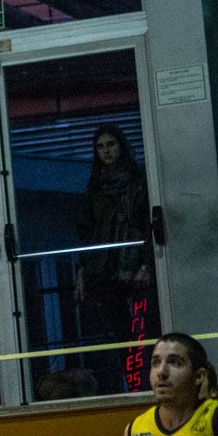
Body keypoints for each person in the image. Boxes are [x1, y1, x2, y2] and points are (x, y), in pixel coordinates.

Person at [76, 124, 158, 392]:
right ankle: (134, 386)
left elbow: (147, 224)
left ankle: (148, 384)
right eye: (100, 147)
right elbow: (87, 230)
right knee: (122, 334)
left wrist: (146, 263)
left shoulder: (138, 179)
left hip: (135, 266)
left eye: (111, 144)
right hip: (105, 270)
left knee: (144, 330)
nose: (106, 151)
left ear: (121, 146)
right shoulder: (95, 186)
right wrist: (82, 269)